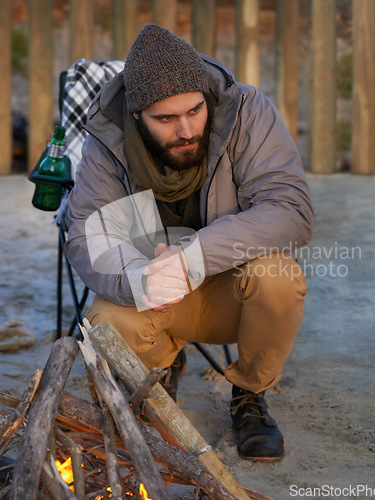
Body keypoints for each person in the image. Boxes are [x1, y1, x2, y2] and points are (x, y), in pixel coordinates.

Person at [65, 24, 313, 461]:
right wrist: (136, 279)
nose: (185, 130)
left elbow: (290, 208)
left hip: (227, 289)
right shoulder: (108, 136)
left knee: (279, 276)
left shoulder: (245, 110)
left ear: (205, 97)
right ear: (137, 115)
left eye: (195, 111)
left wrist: (194, 256)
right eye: (165, 119)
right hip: (155, 296)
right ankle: (160, 372)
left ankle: (248, 396)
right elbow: (88, 229)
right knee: (106, 319)